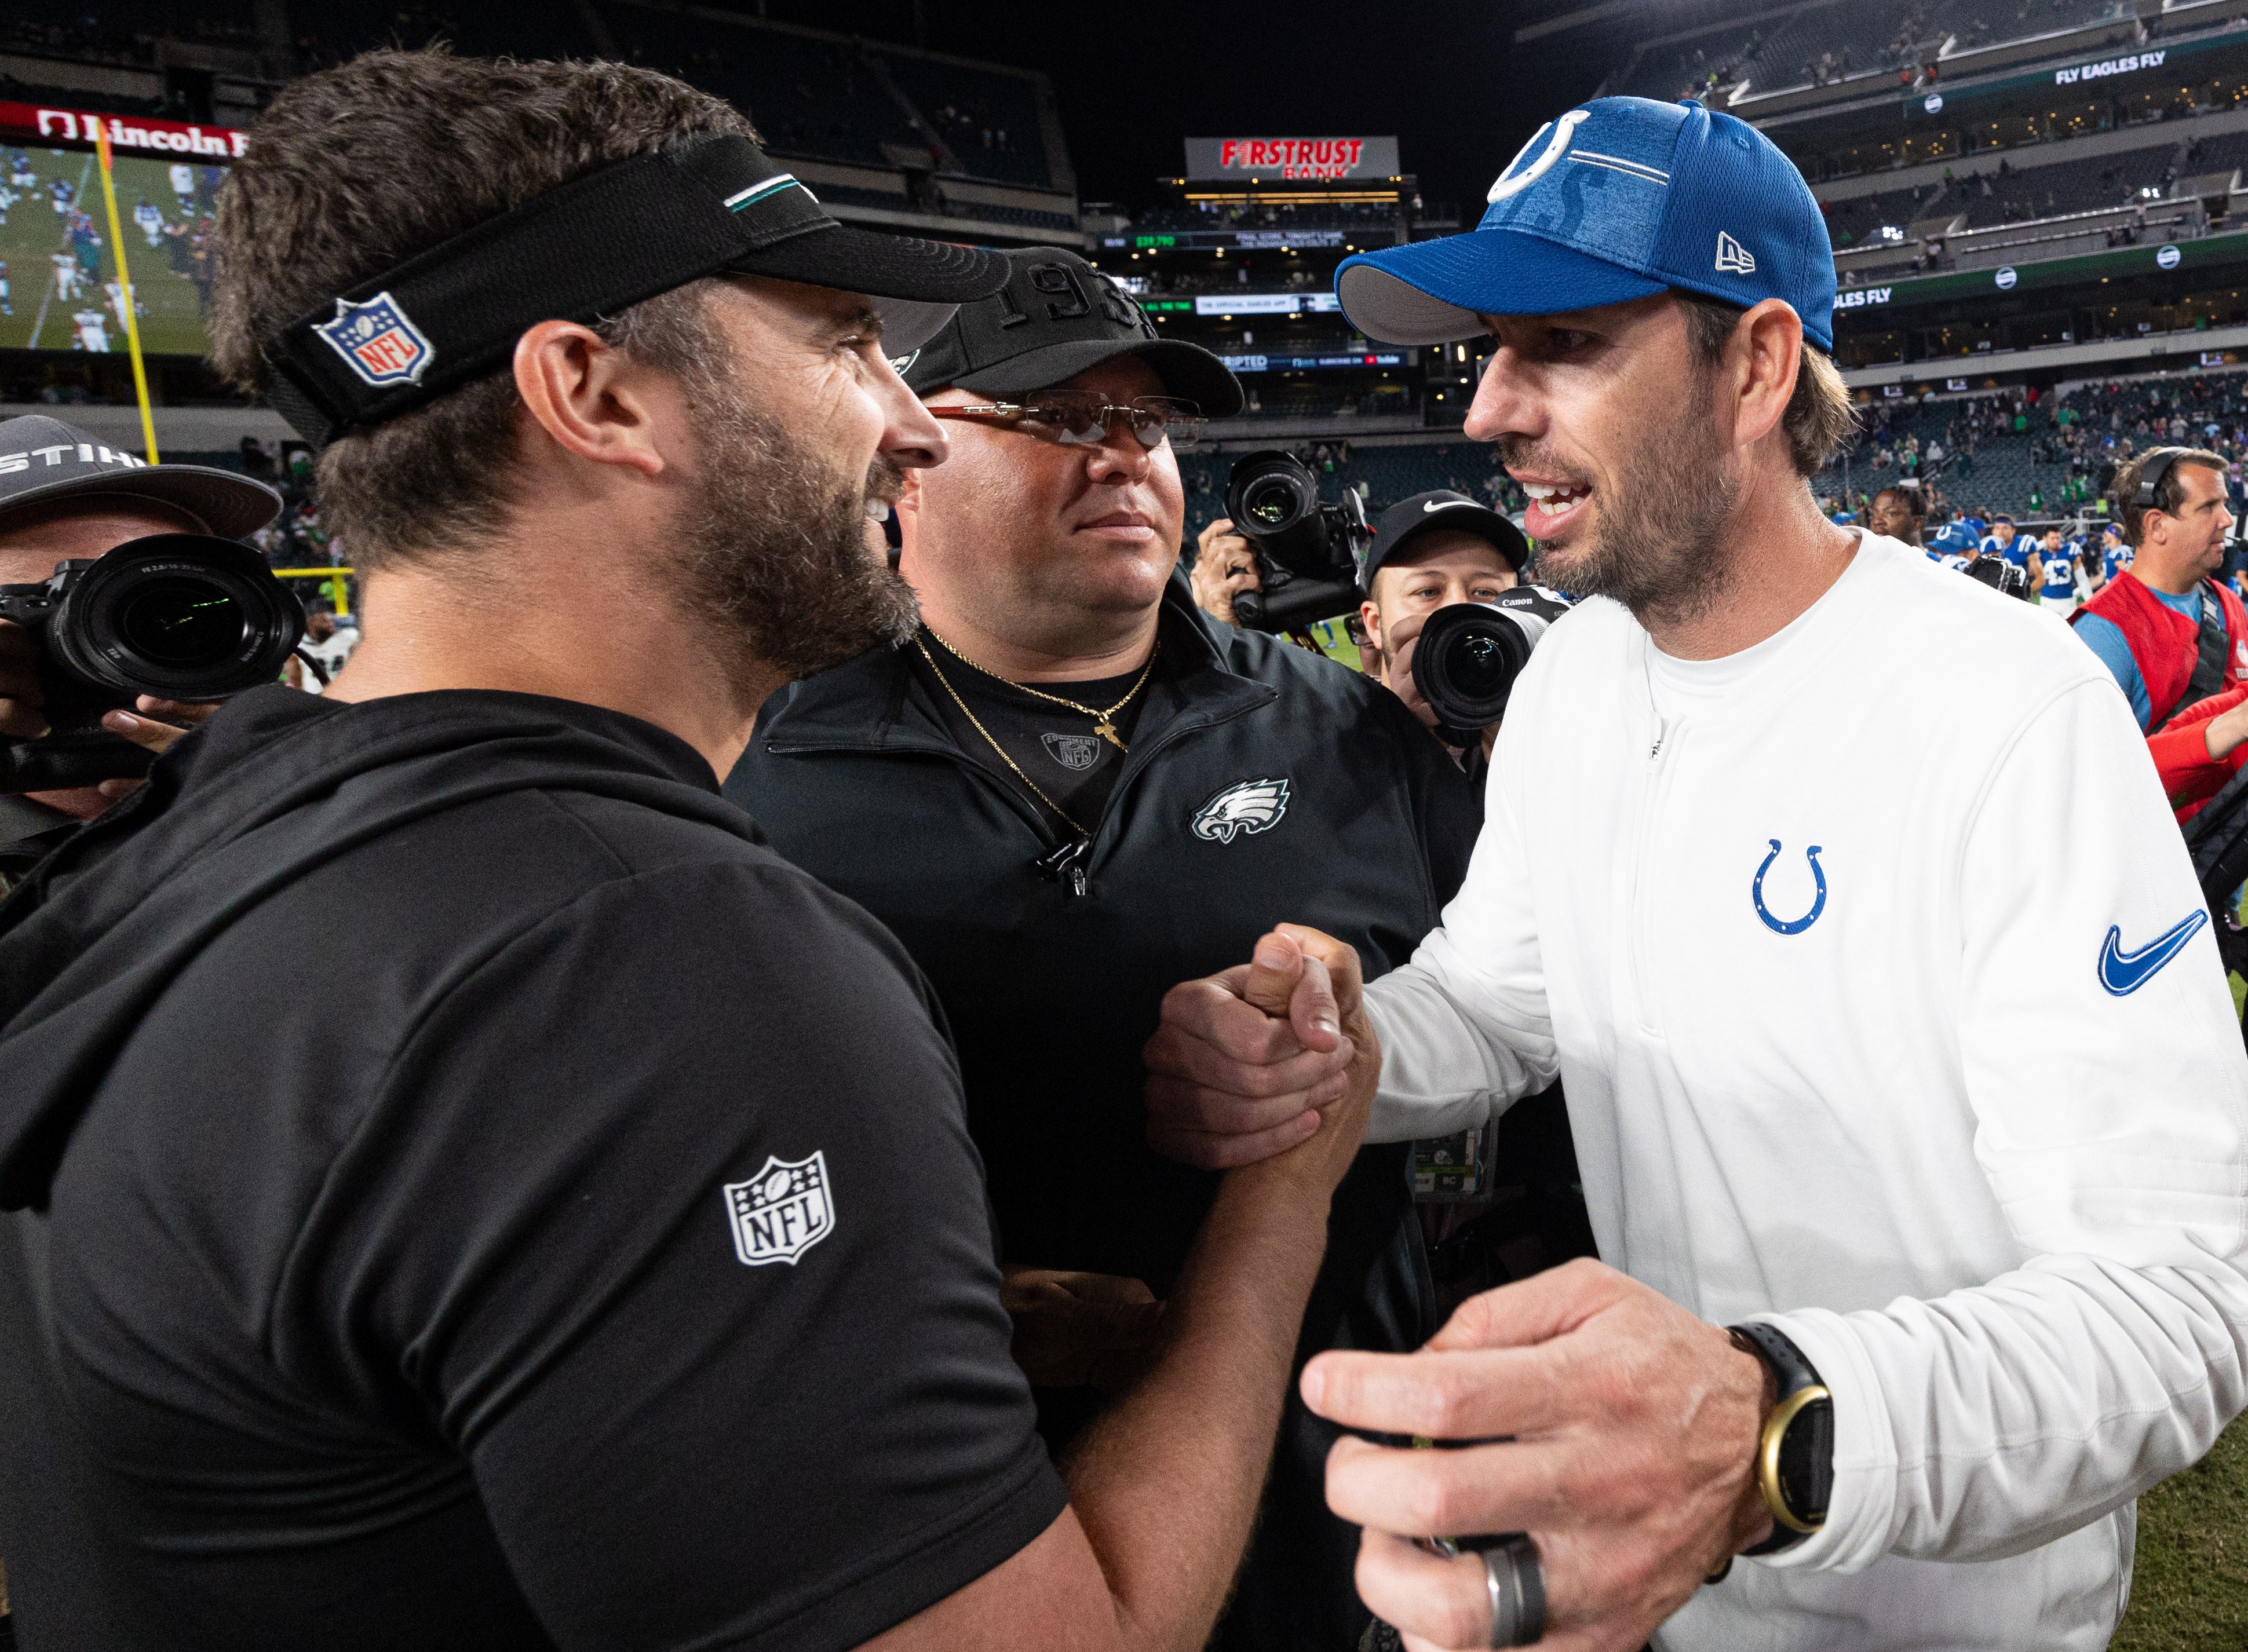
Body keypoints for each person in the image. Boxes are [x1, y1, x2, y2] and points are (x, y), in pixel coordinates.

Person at [0, 55, 1372, 1652]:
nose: (912, 422)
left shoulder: (218, 832)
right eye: (844, 345)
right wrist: (1286, 1190)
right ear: (595, 393)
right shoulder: (650, 953)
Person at [1144, 94, 2248, 1652]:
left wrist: (1766, 1423)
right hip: (1653, 1589)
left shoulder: (2008, 706)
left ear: (1758, 362)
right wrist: (1342, 1035)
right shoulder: (1582, 675)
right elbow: (1507, 999)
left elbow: (2177, 1304)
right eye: (1486, 351)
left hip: (1937, 1613)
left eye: (1562, 344)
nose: (1488, 409)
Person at [726, 244, 1481, 1652]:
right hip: (929, 1522)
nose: (1120, 457)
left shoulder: (1353, 736)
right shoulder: (754, 757)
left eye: (1142, 423)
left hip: (1323, 1520)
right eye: (1058, 420)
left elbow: (1512, 1040)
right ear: (906, 460)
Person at [0, 414, 280, 890]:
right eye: (58, 602)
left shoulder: (307, 798)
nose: (132, 640)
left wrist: (290, 819)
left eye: (168, 592)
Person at [2074, 447, 2248, 736]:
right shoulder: (2103, 632)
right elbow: (2098, 769)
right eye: (2209, 507)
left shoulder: (2227, 601)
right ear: (2157, 526)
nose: (2227, 520)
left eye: (2225, 504)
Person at [1349, 489, 1526, 761]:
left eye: (1485, 592)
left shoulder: (1551, 734)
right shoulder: (1335, 737)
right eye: (1428, 592)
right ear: (1374, 625)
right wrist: (1394, 752)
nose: (1459, 608)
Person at [1863, 485, 1922, 550]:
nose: (1877, 521)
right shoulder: (1865, 559)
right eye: (1873, 515)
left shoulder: (1931, 560)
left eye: (1891, 514)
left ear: (1916, 522)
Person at [2036, 522, 2079, 611]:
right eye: (2052, 538)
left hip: (2068, 599)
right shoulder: (2040, 553)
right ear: (2045, 538)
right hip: (2048, 600)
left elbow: (2081, 576)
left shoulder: (2069, 550)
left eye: (2058, 538)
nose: (2056, 541)